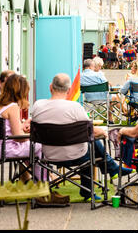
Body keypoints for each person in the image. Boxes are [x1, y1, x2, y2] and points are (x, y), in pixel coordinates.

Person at [31, 73, 132, 203]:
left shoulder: (38, 106)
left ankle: (110, 170)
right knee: (90, 143)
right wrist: (103, 131)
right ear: (68, 90)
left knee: (88, 143)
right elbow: (90, 131)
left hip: (48, 155)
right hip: (76, 156)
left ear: (50, 87)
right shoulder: (75, 107)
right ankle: (98, 181)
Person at [0, 74, 44, 183]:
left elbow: (6, 129)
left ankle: (31, 181)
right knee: (40, 146)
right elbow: (18, 137)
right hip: (6, 149)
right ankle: (44, 184)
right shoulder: (13, 107)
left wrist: (22, 126)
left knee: (32, 148)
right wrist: (33, 136)